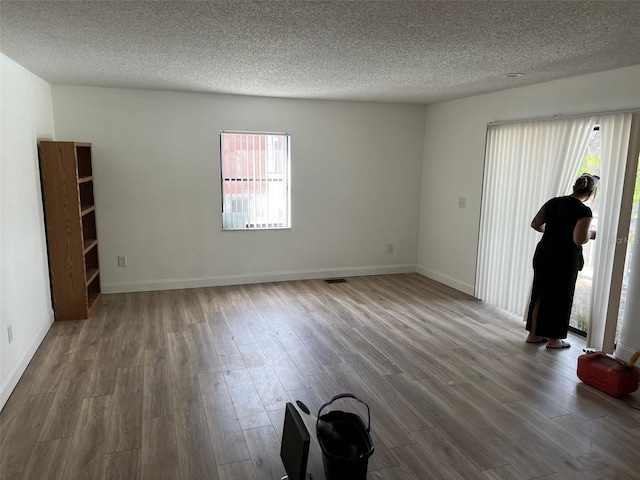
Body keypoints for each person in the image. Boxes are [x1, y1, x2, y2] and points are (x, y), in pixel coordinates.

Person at [525, 173, 599, 349]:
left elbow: (536, 224)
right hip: (564, 257)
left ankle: (533, 335)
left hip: (544, 252)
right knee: (561, 297)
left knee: (540, 293)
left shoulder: (553, 202)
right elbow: (579, 239)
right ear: (590, 194)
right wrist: (591, 234)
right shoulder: (583, 211)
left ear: (575, 187)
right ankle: (554, 340)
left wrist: (553, 233)